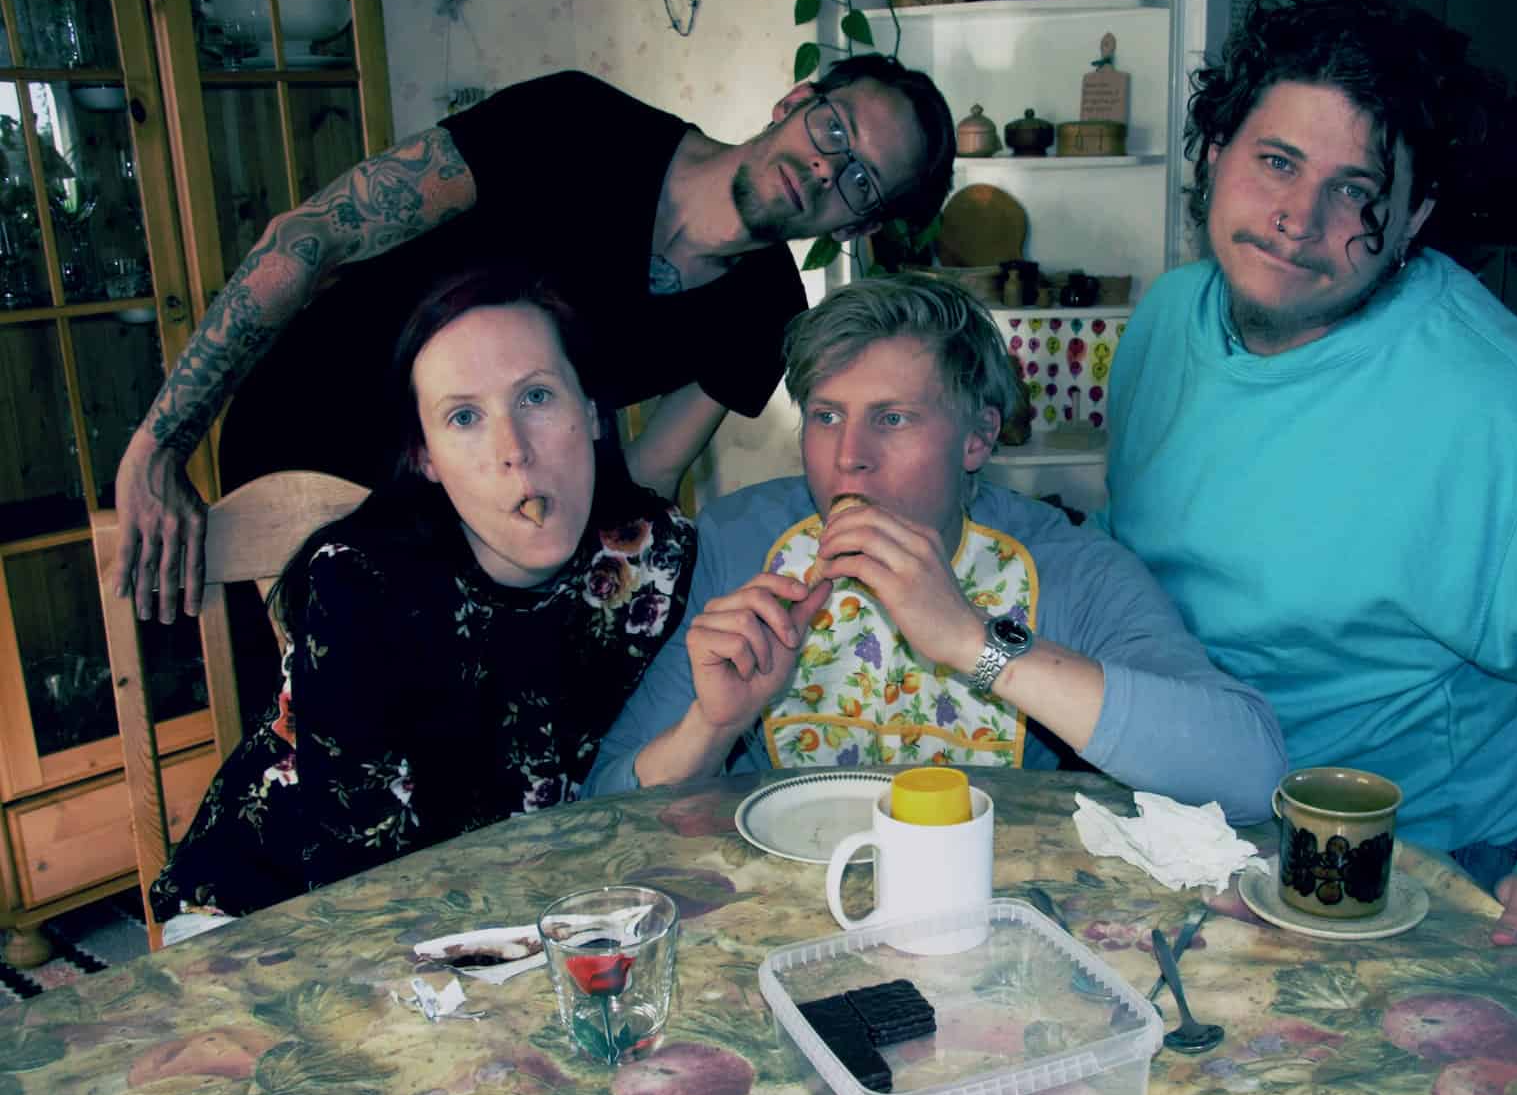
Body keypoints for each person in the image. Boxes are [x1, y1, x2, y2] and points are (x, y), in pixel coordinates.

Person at [1096, 0, 1517, 1002]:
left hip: (1409, 889)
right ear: (1211, 154)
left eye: (1355, 191)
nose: (1298, 220)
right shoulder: (1164, 320)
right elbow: (1145, 557)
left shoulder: (1506, 415)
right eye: (1274, 161)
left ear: (1413, 221)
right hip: (1180, 841)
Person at [113, 56, 955, 625]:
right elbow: (314, 235)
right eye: (835, 131)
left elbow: (644, 475)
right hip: (303, 437)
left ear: (859, 222)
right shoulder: (576, 121)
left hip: (472, 522)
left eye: (859, 180)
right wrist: (161, 442)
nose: (825, 169)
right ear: (796, 103)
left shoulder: (767, 306)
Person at [587, 273, 1285, 819]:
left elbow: (1250, 774)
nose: (849, 458)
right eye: (826, 416)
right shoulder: (740, 541)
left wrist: (976, 643)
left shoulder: (1071, 567)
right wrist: (711, 726)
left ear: (978, 437)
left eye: (892, 418)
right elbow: (598, 809)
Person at [149, 268, 695, 930]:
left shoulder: (650, 556)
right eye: (464, 417)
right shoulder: (360, 587)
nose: (513, 452)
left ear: (589, 410)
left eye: (537, 397)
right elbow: (357, 886)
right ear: (426, 455)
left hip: (517, 900)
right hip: (273, 908)